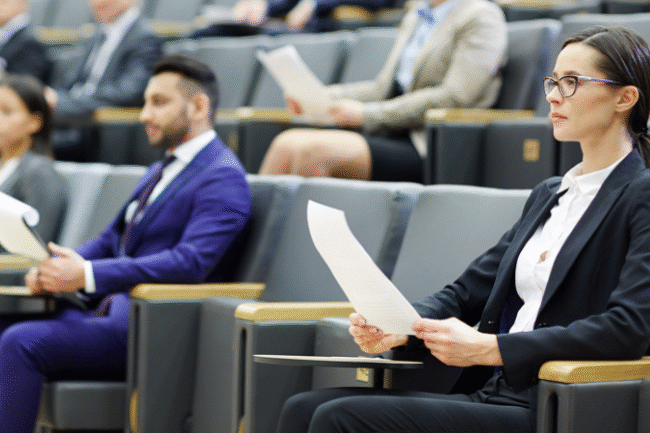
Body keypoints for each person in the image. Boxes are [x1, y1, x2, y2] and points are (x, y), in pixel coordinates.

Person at [275, 25, 650, 433]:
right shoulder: (550, 193)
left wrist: (493, 349)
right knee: (302, 407)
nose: (553, 96)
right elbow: (466, 292)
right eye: (553, 81)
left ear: (625, 98)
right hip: (491, 391)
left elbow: (628, 327)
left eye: (572, 82)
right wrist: (401, 326)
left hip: (552, 402)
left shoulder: (640, 194)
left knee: (337, 418)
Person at [0, 53, 251, 433]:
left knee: (21, 342)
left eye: (159, 102)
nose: (144, 115)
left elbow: (191, 263)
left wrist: (86, 274)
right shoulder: (161, 169)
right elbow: (110, 239)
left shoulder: (223, 176)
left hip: (150, 325)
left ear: (199, 107)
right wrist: (58, 268)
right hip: (107, 310)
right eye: (146, 102)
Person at [258, 0, 507, 183]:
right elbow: (383, 88)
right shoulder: (417, 15)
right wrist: (320, 96)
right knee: (285, 144)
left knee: (312, 152)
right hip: (391, 131)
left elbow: (454, 97)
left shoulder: (482, 16)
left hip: (430, 142)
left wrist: (367, 115)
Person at [46, 0, 162, 119]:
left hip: (98, 121)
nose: (96, 3)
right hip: (73, 112)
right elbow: (73, 83)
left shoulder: (145, 39)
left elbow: (127, 93)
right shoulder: (97, 34)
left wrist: (62, 103)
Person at [0, 74, 66, 244]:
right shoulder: (5, 165)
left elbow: (36, 244)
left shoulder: (39, 172)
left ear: (34, 122)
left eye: (7, 112)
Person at [194, 0, 392, 36]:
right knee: (208, 32)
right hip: (292, 26)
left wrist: (316, 3)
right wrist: (264, 5)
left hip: (322, 28)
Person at [0, 0, 50, 82]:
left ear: (23, 5)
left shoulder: (30, 41)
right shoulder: (6, 36)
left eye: (4, 2)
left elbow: (28, 83)